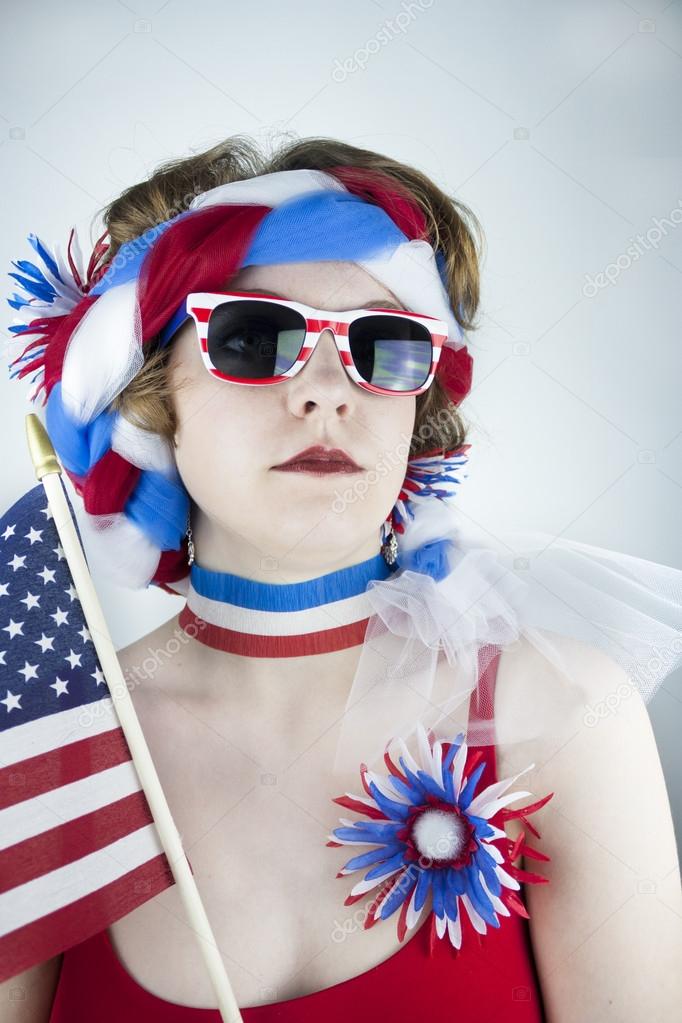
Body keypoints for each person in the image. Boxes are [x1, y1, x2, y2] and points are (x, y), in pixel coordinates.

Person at [3, 135, 681, 1022]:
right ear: (150, 395)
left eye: (385, 342)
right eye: (253, 336)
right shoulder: (46, 750)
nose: (327, 392)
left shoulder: (559, 715)